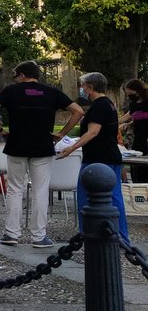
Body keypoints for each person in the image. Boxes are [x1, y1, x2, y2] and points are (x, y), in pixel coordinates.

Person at [0, 60, 83, 248]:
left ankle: (11, 233)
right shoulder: (52, 92)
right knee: (40, 191)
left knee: (15, 189)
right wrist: (62, 133)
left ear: (21, 75)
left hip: (17, 144)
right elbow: (77, 111)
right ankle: (39, 236)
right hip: (42, 146)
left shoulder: (12, 91)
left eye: (16, 76)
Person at [58, 71, 128, 240]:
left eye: (83, 86)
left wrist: (71, 148)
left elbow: (93, 132)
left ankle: (88, 232)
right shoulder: (109, 104)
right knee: (114, 197)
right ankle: (121, 234)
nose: (81, 90)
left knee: (85, 196)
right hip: (110, 156)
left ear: (89, 87)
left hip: (97, 159)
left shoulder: (98, 106)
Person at [120, 79, 148, 183]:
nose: (128, 96)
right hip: (138, 141)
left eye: (129, 93)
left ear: (137, 90)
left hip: (146, 140)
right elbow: (124, 118)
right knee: (137, 169)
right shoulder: (134, 105)